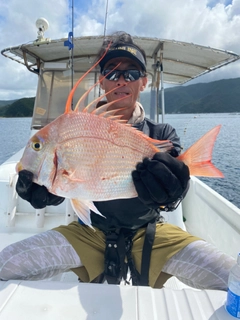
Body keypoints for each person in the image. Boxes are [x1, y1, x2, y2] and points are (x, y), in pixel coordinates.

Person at [0, 31, 236, 289]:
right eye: (112, 73)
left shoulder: (161, 135)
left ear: (143, 82)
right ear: (102, 81)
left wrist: (174, 192)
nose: (121, 80)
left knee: (231, 277)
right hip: (90, 232)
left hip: (151, 231)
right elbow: (73, 187)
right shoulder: (75, 127)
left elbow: (173, 191)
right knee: (6, 264)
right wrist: (47, 190)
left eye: (132, 73)